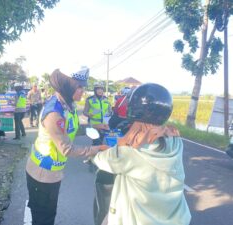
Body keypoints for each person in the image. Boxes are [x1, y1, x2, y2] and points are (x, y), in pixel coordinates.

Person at [92, 83, 191, 225]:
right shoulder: (176, 142)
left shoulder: (129, 152)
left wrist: (100, 150)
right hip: (177, 219)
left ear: (134, 111)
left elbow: (101, 160)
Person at [25, 67, 109, 225]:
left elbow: (71, 129)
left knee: (49, 213)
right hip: (42, 173)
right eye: (80, 87)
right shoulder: (54, 113)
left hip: (53, 172)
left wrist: (96, 126)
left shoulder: (68, 106)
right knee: (43, 218)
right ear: (68, 87)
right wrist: (98, 149)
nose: (83, 92)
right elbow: (67, 148)